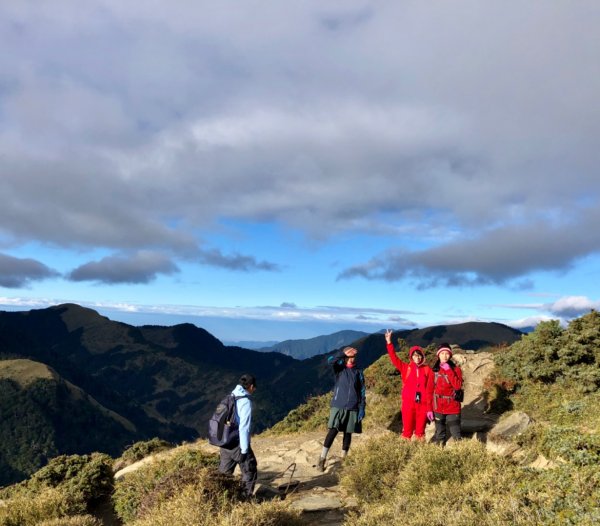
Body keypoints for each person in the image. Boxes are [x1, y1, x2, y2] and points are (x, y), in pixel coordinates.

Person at [316, 346, 366, 472]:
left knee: (347, 433)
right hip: (338, 405)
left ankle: (344, 460)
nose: (350, 359)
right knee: (332, 431)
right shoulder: (340, 368)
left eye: (352, 356)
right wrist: (342, 353)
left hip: (353, 406)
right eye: (348, 357)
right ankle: (322, 458)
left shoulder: (358, 372)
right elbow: (330, 360)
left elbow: (362, 391)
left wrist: (362, 407)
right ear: (345, 357)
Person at [384, 329, 434, 440]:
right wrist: (389, 343)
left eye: (420, 355)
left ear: (422, 356)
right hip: (408, 405)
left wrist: (429, 408)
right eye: (415, 355)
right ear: (411, 357)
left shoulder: (428, 370)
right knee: (407, 432)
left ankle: (419, 454)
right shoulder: (405, 368)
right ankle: (406, 452)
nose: (418, 357)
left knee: (420, 433)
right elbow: (394, 358)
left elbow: (430, 390)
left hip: (422, 405)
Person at [218, 373, 258, 499]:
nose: (255, 389)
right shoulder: (245, 401)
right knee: (250, 470)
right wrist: (244, 449)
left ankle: (221, 498)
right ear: (251, 386)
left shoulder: (231, 396)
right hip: (237, 443)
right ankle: (244, 499)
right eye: (254, 387)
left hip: (225, 442)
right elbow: (244, 428)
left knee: (224, 474)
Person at [429, 343, 463, 445]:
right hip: (438, 406)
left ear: (450, 355)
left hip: (452, 406)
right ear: (438, 355)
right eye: (442, 353)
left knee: (456, 433)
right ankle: (440, 452)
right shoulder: (434, 371)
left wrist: (449, 370)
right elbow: (429, 391)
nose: (444, 356)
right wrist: (429, 409)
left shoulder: (456, 370)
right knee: (439, 433)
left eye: (447, 353)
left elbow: (457, 386)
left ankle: (462, 454)